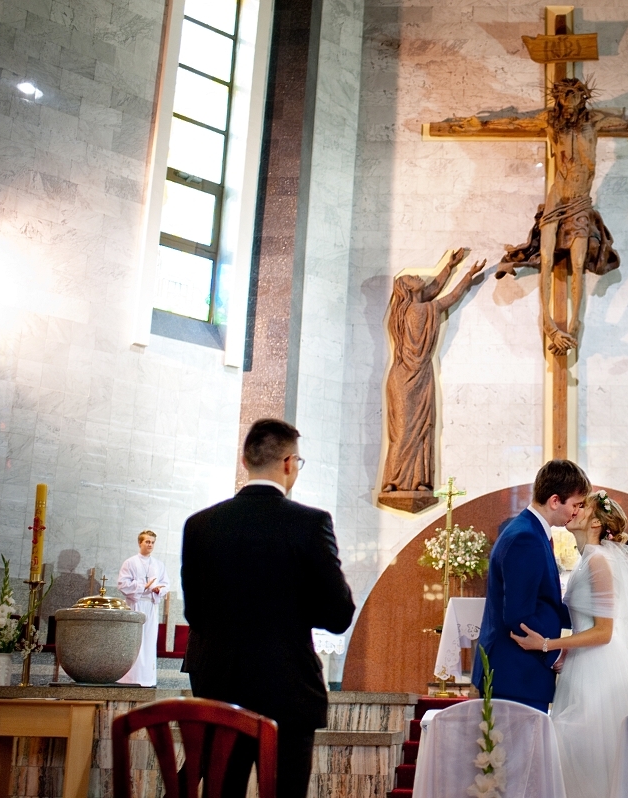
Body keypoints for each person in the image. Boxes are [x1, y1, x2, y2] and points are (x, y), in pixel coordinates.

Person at [181, 418, 355, 798]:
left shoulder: (200, 525)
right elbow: (339, 615)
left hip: (219, 689)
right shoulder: (310, 523)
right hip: (288, 691)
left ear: (246, 460)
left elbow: (194, 613)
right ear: (290, 463)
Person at [511, 491, 628, 798]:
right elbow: (588, 622)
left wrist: (548, 644)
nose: (575, 510)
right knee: (579, 753)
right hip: (584, 663)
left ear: (597, 522)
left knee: (587, 751)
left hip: (600, 668)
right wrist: (568, 649)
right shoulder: (588, 558)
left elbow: (604, 631)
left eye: (583, 506)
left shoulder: (599, 560)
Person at [471, 459, 588, 710]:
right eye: (576, 505)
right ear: (555, 501)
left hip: (519, 673)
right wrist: (554, 654)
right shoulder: (526, 537)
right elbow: (518, 615)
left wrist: (590, 618)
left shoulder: (531, 530)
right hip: (514, 673)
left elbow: (541, 600)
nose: (577, 512)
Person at [380, 248, 485, 500]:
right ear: (408, 289)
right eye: (413, 279)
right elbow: (447, 298)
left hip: (410, 376)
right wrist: (468, 275)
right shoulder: (419, 311)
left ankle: (417, 481)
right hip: (409, 378)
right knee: (406, 430)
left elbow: (432, 289)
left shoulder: (405, 310)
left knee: (419, 430)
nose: (418, 277)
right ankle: (394, 480)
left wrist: (449, 266)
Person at [117, 530, 168, 687]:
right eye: (147, 541)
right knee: (134, 640)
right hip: (135, 605)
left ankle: (147, 679)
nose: (150, 545)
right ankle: (129, 678)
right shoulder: (130, 562)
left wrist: (159, 589)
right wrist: (142, 586)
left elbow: (166, 584)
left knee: (149, 641)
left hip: (151, 605)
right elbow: (122, 584)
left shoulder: (158, 565)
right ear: (140, 543)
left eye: (152, 542)